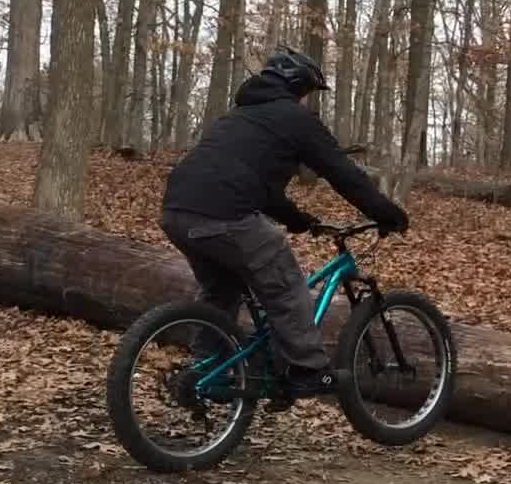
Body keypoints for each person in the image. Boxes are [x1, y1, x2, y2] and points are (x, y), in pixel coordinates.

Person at [160, 45, 409, 400]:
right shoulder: (295, 118)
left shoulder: (239, 118)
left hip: (178, 211)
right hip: (224, 213)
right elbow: (342, 174)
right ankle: (308, 369)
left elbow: (255, 185)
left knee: (221, 291)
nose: (308, 103)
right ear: (296, 87)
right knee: (287, 282)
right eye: (307, 94)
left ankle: (206, 370)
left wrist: (298, 219)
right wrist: (387, 213)